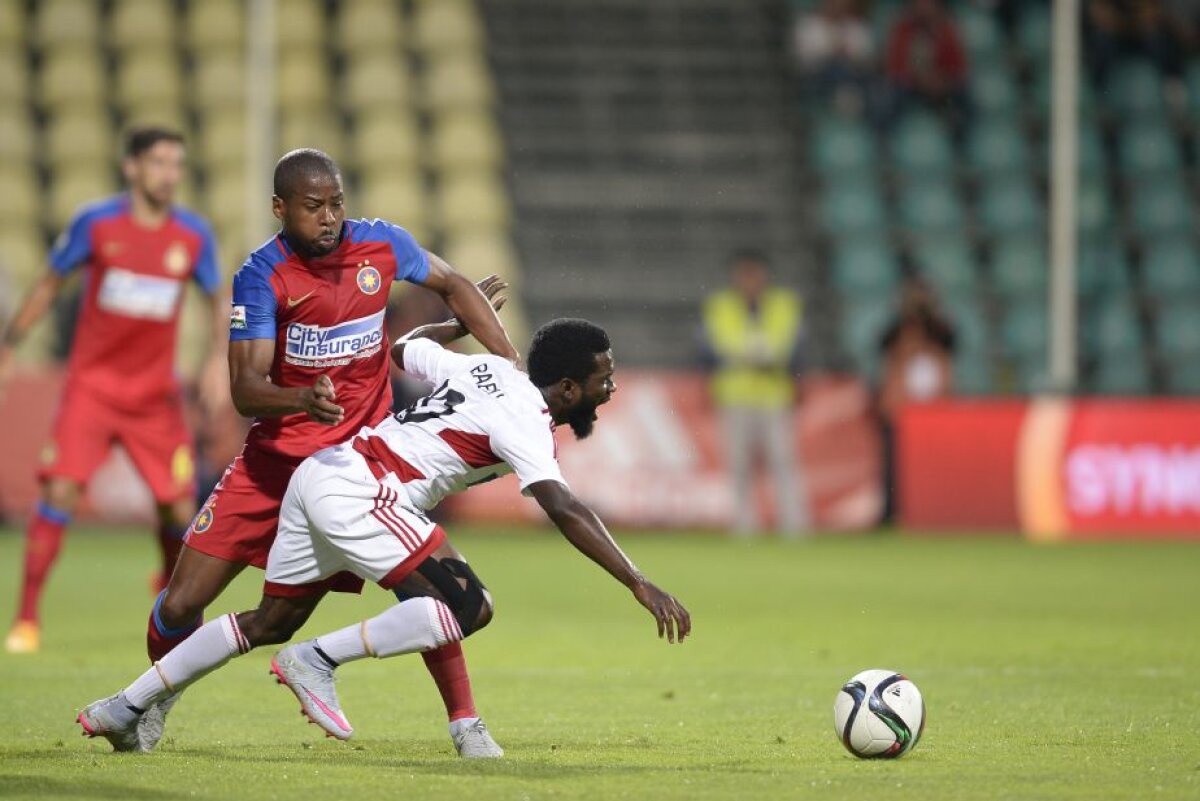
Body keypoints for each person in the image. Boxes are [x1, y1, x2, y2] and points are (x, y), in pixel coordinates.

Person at [77, 318, 691, 752]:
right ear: (567, 390)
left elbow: (405, 348)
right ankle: (316, 661)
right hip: (363, 492)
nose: (611, 389)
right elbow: (565, 508)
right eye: (604, 378)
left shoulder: (487, 369)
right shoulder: (527, 421)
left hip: (322, 474)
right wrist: (637, 581)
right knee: (469, 606)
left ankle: (123, 707)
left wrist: (452, 326)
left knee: (268, 622)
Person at [136, 148, 521, 758]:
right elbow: (245, 390)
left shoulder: (381, 246)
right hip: (272, 466)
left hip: (357, 466)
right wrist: (299, 399)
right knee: (182, 600)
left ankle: (466, 724)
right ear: (280, 209)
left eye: (337, 203)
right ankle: (153, 702)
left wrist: (508, 363)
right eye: (314, 207)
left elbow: (453, 283)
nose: (330, 217)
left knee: (426, 587)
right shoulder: (262, 275)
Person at [0, 126, 227, 655]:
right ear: (132, 167)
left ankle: (173, 603)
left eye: (176, 164)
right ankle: (28, 617)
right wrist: (10, 346)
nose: (168, 174)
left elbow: (217, 296)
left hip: (155, 398)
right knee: (59, 492)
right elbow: (50, 282)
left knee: (177, 509)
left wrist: (216, 360)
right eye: (158, 163)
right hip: (93, 391)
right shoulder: (97, 224)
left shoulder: (192, 235)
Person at [700, 251, 808, 537]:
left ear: (764, 276)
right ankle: (744, 525)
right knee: (739, 465)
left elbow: (790, 342)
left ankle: (794, 525)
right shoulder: (720, 305)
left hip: (774, 395)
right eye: (744, 274)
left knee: (783, 460)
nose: (749, 281)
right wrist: (761, 354)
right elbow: (717, 344)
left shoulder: (784, 303)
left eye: (753, 274)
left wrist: (749, 354)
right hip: (735, 396)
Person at [875, 275, 956, 525]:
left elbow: (951, 343)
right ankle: (892, 512)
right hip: (901, 405)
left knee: (933, 463)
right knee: (893, 464)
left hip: (933, 406)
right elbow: (882, 345)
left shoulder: (939, 329)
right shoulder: (896, 328)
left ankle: (933, 509)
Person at [881, 0, 971, 138]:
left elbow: (958, 66)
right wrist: (918, 79)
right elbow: (895, 66)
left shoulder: (946, 30)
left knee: (963, 93)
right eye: (920, 5)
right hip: (910, 85)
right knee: (892, 95)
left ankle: (961, 141)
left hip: (941, 85)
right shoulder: (903, 29)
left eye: (928, 4)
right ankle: (888, 139)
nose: (924, 9)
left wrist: (942, 80)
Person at [793, 0, 876, 115]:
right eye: (834, 3)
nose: (838, 7)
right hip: (818, 79)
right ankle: (845, 102)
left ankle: (849, 102)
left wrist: (846, 55)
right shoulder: (810, 25)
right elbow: (803, 59)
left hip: (853, 76)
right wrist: (832, 52)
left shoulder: (856, 27)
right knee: (833, 68)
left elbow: (867, 58)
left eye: (842, 4)